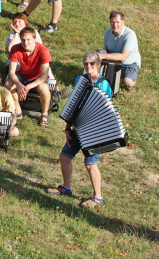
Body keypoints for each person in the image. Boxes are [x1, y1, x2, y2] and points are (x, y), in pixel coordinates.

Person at [47, 51, 112, 208]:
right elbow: (74, 105)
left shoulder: (104, 84)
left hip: (94, 131)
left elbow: (105, 109)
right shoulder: (79, 80)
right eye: (85, 63)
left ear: (98, 65)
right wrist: (68, 126)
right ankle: (66, 188)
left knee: (90, 164)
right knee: (64, 157)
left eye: (91, 64)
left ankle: (98, 197)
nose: (88, 66)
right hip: (77, 127)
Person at [5, 27, 52, 126]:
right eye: (23, 39)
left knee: (43, 87)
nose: (25, 42)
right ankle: (18, 110)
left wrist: (27, 87)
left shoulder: (43, 50)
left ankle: (44, 114)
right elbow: (11, 72)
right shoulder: (15, 48)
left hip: (38, 78)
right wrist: (18, 84)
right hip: (22, 75)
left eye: (28, 39)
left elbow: (44, 76)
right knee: (8, 84)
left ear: (34, 39)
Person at [99, 11, 141, 91]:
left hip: (129, 63)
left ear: (123, 22)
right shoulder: (107, 33)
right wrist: (98, 55)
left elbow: (124, 56)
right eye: (112, 22)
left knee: (128, 82)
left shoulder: (130, 35)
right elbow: (105, 50)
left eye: (117, 22)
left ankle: (126, 76)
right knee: (99, 52)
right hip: (113, 60)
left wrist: (103, 56)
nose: (115, 25)